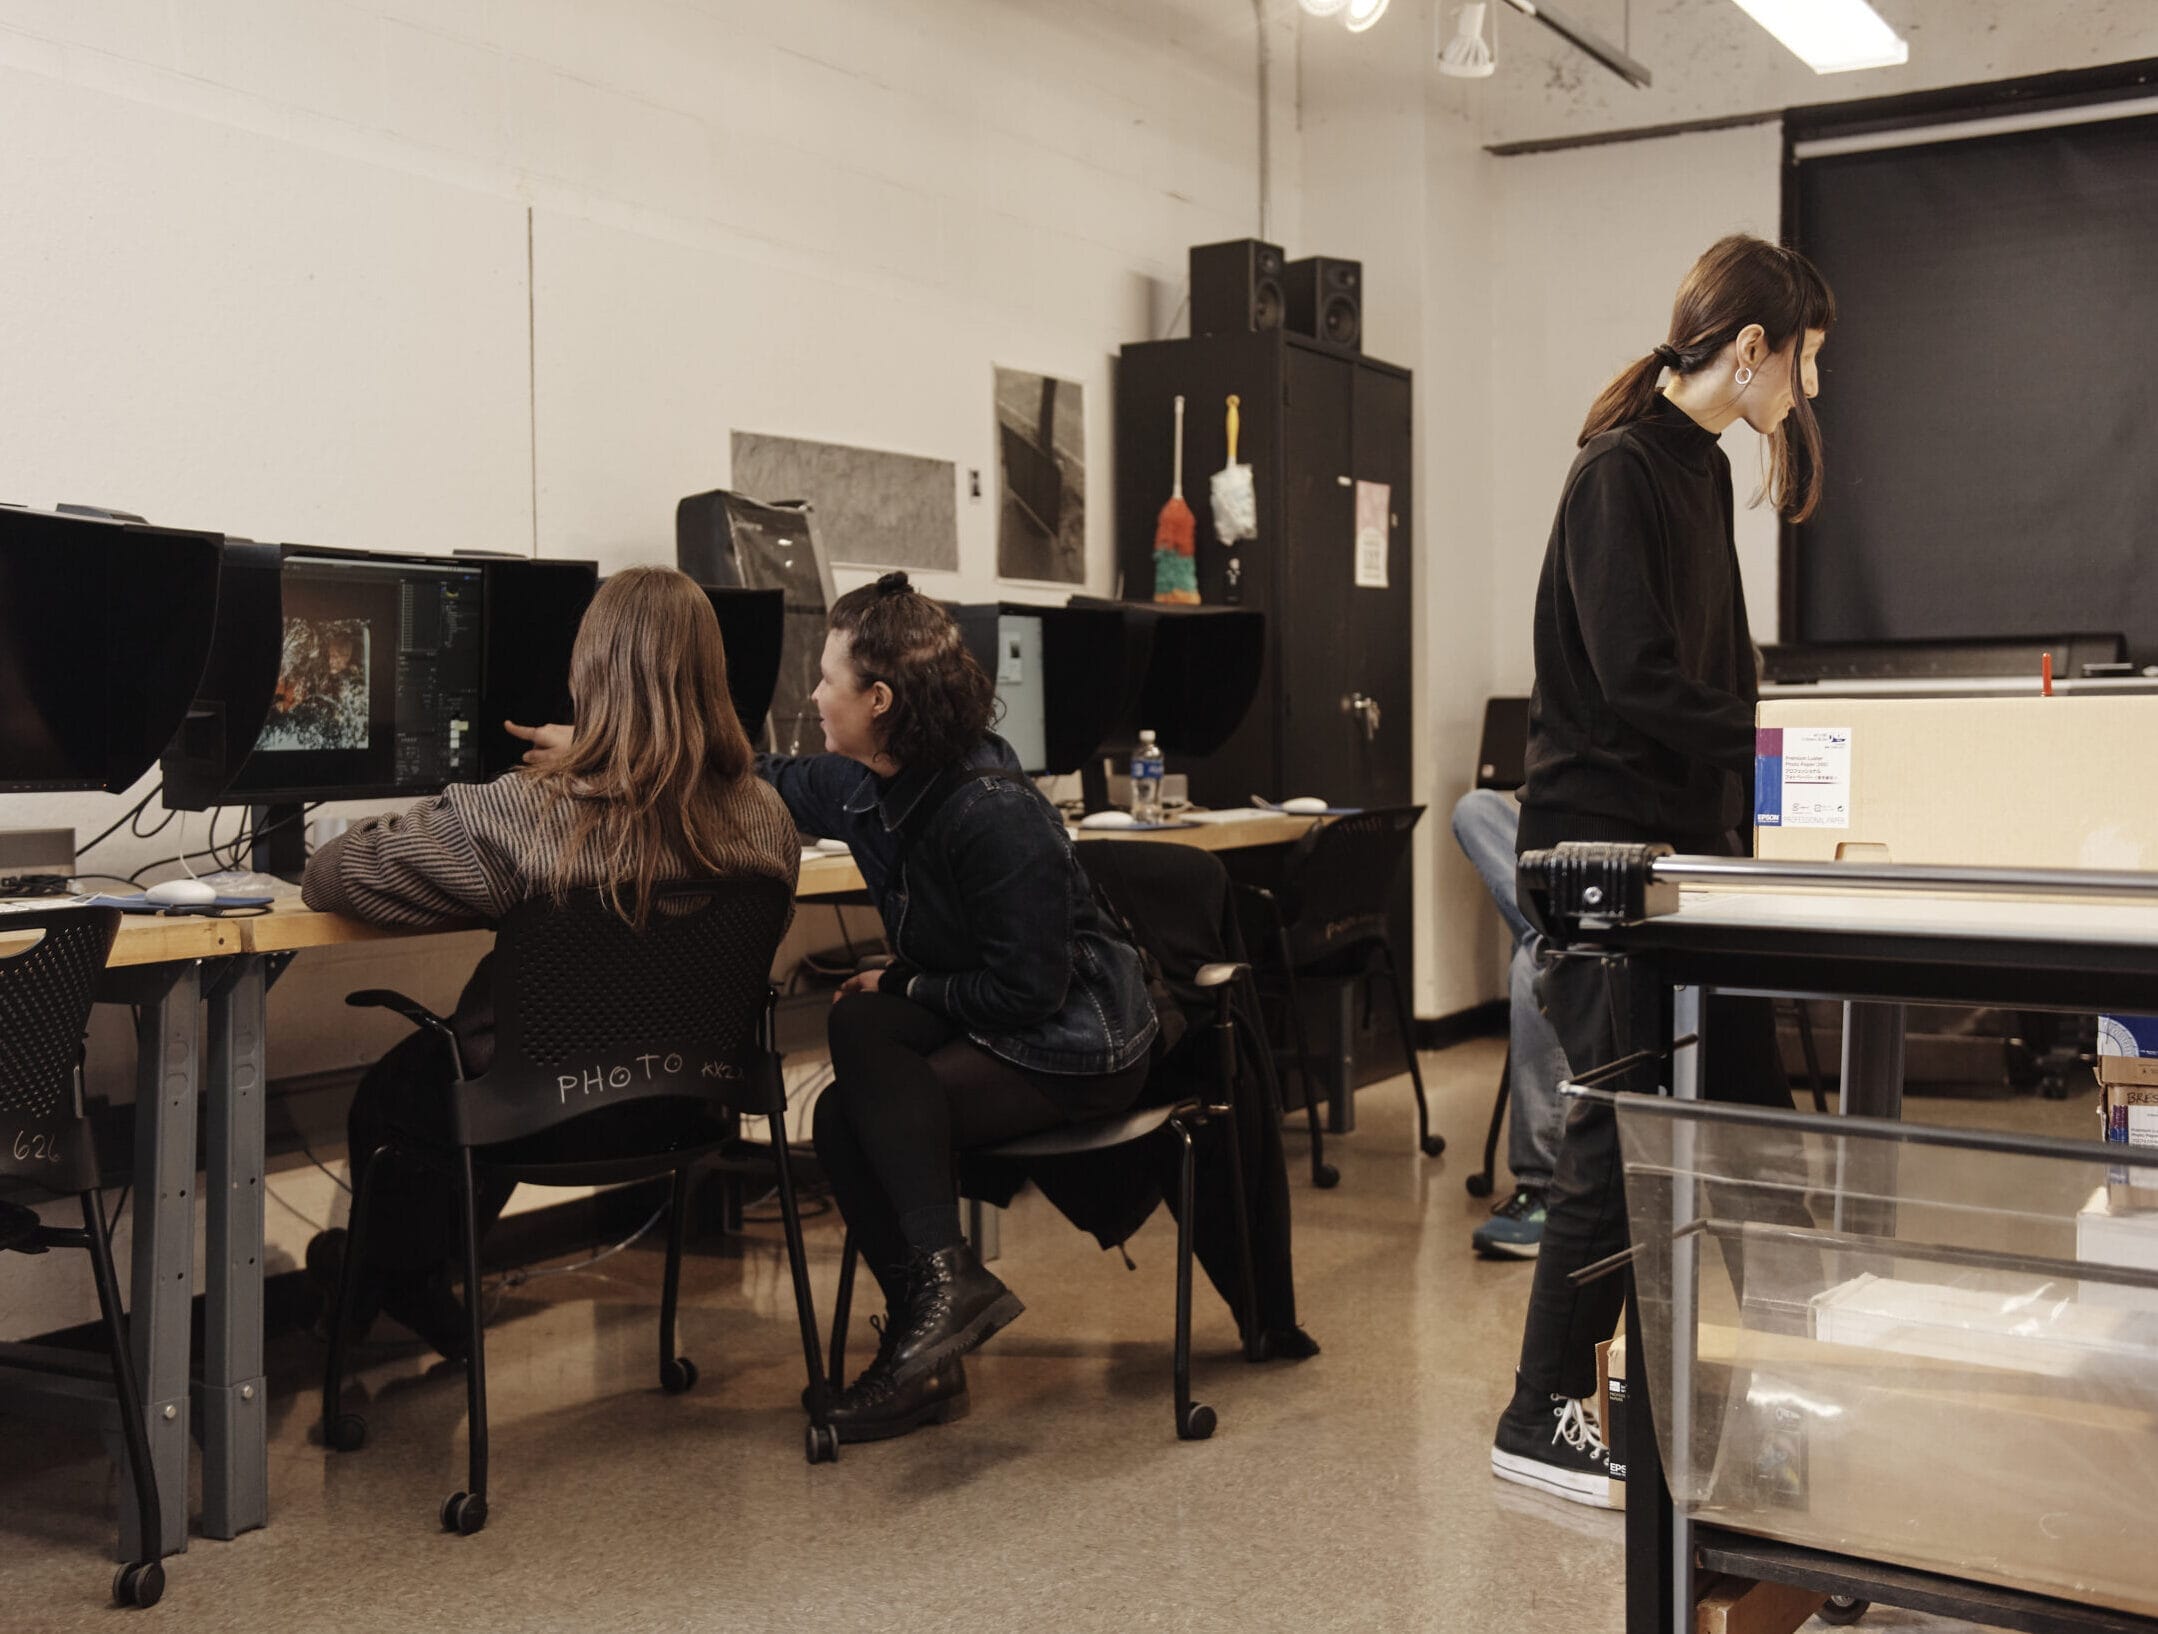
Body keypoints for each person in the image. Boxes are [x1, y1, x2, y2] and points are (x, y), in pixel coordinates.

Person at [1490, 234, 1834, 1508]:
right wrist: (1770, 751)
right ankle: (1537, 1411)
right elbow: (1640, 685)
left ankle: (1793, 1396)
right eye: (1804, 363)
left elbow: (1721, 679)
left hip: (1682, 855)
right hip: (1599, 852)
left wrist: (1778, 780)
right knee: (1621, 1125)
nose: (1808, 392)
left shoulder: (1696, 472)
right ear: (1751, 349)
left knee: (1744, 1131)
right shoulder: (1618, 473)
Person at [303, 566, 801, 1359]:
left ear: (585, 674)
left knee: (403, 1091)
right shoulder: (766, 815)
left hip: (542, 1109)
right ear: (716, 677)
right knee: (495, 1054)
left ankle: (379, 1281)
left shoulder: (522, 811)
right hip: (686, 1110)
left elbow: (331, 877)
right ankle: (408, 1280)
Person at [758, 572, 1158, 1442]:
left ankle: (928, 1344)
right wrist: (616, 746)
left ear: (880, 699)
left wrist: (903, 982)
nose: (815, 695)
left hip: (1077, 1042)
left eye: (828, 679)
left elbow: (1030, 991)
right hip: (1004, 1015)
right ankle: (941, 1312)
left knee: (846, 1114)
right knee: (853, 1037)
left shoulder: (991, 811)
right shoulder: (873, 782)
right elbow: (771, 777)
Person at [1449, 787, 1569, 1259]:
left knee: (1533, 965)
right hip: (1564, 845)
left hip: (1637, 857)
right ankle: (1554, 938)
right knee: (1475, 807)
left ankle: (1542, 1187)